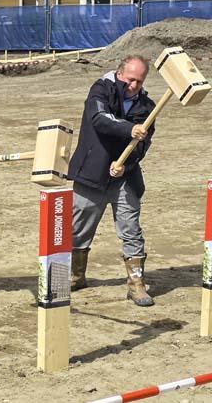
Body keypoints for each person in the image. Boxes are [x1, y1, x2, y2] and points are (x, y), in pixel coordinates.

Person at [68, 55, 156, 307]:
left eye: (139, 81)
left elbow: (142, 147)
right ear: (119, 74)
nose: (134, 86)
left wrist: (125, 165)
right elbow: (99, 118)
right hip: (91, 174)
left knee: (131, 230)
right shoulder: (100, 90)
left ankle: (136, 284)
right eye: (130, 79)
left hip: (125, 180)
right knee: (78, 229)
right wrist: (130, 129)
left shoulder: (148, 108)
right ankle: (75, 276)